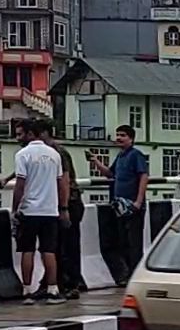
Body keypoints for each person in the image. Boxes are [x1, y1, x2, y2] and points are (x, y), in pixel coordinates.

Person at [11, 119, 65, 302]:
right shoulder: (54, 155)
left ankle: (27, 291)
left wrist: (14, 208)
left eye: (21, 134)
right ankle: (53, 290)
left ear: (30, 134)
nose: (18, 137)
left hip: (29, 210)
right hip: (50, 210)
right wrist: (61, 206)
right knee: (49, 251)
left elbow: (20, 184)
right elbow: (60, 182)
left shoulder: (22, 154)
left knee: (28, 250)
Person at [90, 125, 149, 284]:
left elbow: (143, 176)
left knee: (134, 242)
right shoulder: (121, 156)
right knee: (122, 242)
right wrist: (96, 161)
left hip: (132, 205)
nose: (119, 138)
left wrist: (138, 201)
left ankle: (136, 275)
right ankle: (126, 274)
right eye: (117, 135)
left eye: (122, 135)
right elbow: (110, 174)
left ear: (131, 138)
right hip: (119, 206)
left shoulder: (136, 155)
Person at [41, 123, 85, 300]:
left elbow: (65, 181)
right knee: (56, 247)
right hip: (57, 204)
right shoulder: (48, 153)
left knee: (69, 246)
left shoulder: (58, 153)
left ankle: (72, 284)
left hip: (68, 203)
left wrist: (64, 207)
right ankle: (57, 282)